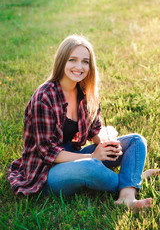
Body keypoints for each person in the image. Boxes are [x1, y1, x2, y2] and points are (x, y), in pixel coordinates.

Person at [8, 35, 160, 210]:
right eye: (72, 60)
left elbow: (94, 129)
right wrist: (93, 156)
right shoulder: (44, 98)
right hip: (46, 172)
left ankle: (127, 197)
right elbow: (48, 153)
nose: (79, 67)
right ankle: (133, 178)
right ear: (62, 61)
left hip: (73, 155)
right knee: (90, 166)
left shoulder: (84, 91)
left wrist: (107, 145)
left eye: (85, 62)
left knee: (136, 141)